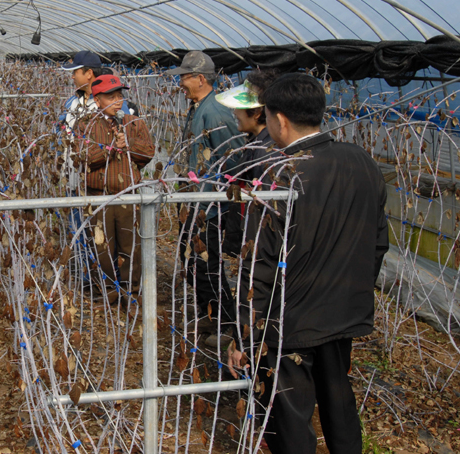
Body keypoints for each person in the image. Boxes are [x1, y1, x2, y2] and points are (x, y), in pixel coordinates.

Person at [227, 73, 388, 454]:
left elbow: (259, 262)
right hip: (342, 313)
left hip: (291, 322)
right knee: (339, 401)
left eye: (267, 116)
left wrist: (245, 335)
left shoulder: (281, 175)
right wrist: (355, 291)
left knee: (290, 417)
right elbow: (378, 241)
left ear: (280, 120)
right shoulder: (362, 162)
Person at [169, 51, 244, 337]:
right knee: (191, 260)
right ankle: (208, 312)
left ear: (201, 79)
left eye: (184, 78)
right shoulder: (198, 107)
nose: (180, 83)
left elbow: (233, 161)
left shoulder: (215, 112)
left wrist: (218, 196)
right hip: (193, 202)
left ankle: (223, 322)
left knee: (206, 264)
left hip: (208, 207)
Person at [77, 74, 155, 303]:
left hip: (127, 197)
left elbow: (148, 152)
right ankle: (108, 292)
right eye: (110, 97)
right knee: (101, 247)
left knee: (131, 247)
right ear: (97, 100)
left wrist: (128, 144)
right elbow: (84, 158)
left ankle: (132, 293)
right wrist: (110, 147)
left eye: (120, 96)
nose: (117, 101)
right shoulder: (85, 124)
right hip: (98, 197)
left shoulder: (134, 123)